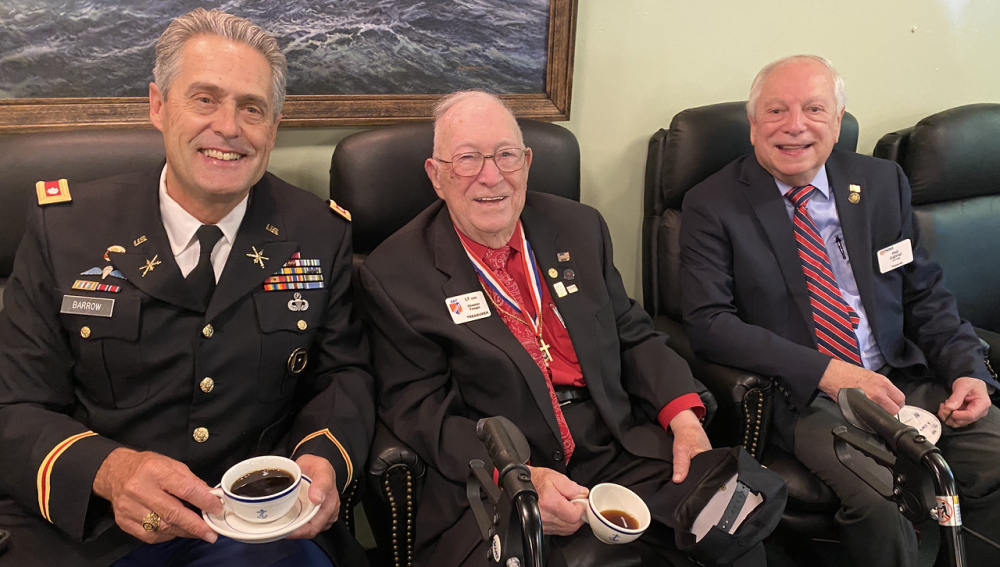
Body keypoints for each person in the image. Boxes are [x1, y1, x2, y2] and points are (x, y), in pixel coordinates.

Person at [0, 9, 374, 567]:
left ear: (273, 127)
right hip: (93, 530)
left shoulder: (319, 232)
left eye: (252, 108)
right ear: (158, 105)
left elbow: (342, 375)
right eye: (204, 99)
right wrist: (109, 471)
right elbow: (15, 403)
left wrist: (323, 459)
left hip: (257, 528)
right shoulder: (67, 230)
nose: (229, 127)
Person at [358, 90, 784, 567]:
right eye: (467, 159)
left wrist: (684, 418)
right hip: (503, 465)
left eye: (505, 155)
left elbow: (631, 333)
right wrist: (520, 477)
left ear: (527, 163)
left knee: (737, 520)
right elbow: (419, 409)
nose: (491, 176)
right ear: (437, 175)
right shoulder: (396, 273)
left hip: (615, 442)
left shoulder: (579, 227)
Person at [679, 54, 1000, 567]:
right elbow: (709, 324)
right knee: (884, 501)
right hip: (806, 394)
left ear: (838, 119)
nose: (795, 126)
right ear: (753, 123)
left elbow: (923, 293)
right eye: (776, 110)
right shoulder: (712, 203)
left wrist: (967, 370)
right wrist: (829, 372)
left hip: (900, 376)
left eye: (814, 109)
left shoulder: (880, 182)